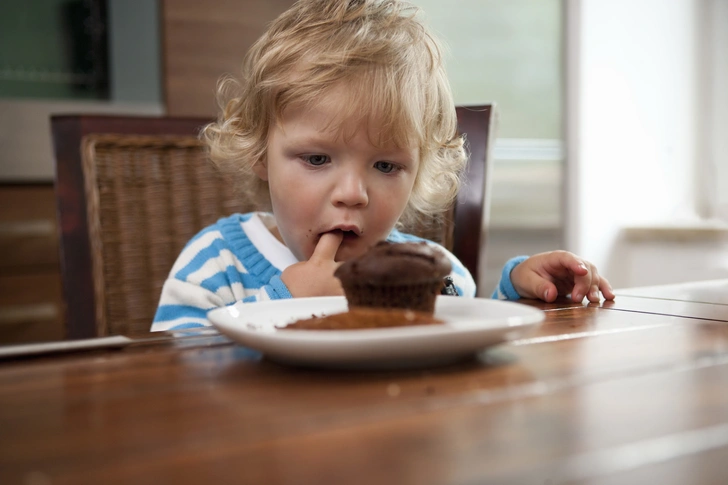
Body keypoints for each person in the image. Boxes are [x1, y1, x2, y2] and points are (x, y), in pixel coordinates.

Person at [151, 0, 614, 332]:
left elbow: (461, 340)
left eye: (386, 166)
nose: (353, 192)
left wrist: (520, 292)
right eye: (317, 158)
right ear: (259, 155)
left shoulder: (435, 275)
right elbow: (177, 381)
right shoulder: (215, 264)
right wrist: (280, 308)